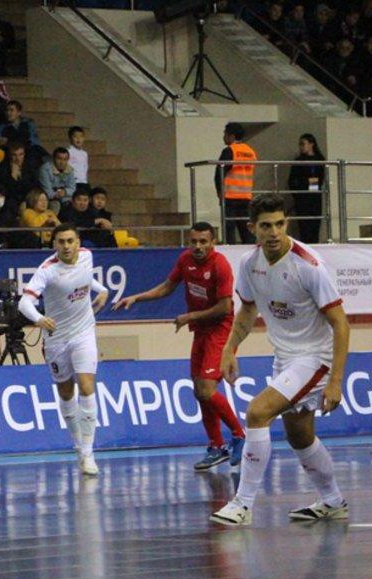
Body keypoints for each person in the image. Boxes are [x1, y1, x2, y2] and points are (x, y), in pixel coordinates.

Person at [210, 194, 350, 527]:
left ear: (286, 223)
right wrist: (229, 349)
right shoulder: (249, 263)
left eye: (280, 224)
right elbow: (246, 309)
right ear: (252, 228)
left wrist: (335, 380)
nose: (274, 232)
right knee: (299, 435)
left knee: (257, 412)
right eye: (266, 226)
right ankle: (333, 501)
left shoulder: (308, 265)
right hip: (285, 358)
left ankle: (242, 504)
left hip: (315, 358)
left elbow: (340, 323)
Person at [113, 221, 246, 471]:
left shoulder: (220, 266)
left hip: (220, 330)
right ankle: (216, 446)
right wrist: (136, 297)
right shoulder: (185, 260)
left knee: (207, 390)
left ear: (212, 242)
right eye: (193, 241)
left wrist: (189, 317)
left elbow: (225, 307)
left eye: (203, 242)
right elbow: (167, 287)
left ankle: (240, 435)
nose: (197, 246)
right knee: (199, 391)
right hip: (200, 330)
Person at [17, 223, 109, 475]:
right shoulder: (47, 270)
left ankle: (89, 453)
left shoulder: (88, 257)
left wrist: (102, 290)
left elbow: (85, 278)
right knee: (66, 393)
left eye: (70, 241)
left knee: (87, 384)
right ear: (54, 244)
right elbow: (24, 303)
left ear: (78, 242)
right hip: (56, 338)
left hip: (84, 333)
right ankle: (79, 446)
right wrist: (38, 319)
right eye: (61, 242)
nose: (66, 246)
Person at [215, 122, 256, 244]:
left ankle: (230, 253)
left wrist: (219, 192)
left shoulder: (229, 151)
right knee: (247, 231)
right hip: (246, 196)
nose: (223, 137)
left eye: (225, 134)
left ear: (231, 136)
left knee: (229, 231)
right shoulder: (251, 151)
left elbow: (219, 173)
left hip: (230, 196)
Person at [287, 133, 326, 243]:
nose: (301, 147)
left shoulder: (319, 159)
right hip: (302, 197)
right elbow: (291, 180)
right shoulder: (298, 161)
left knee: (315, 224)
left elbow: (321, 177)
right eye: (300, 144)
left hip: (315, 196)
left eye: (303, 144)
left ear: (311, 144)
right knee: (304, 226)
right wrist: (297, 194)